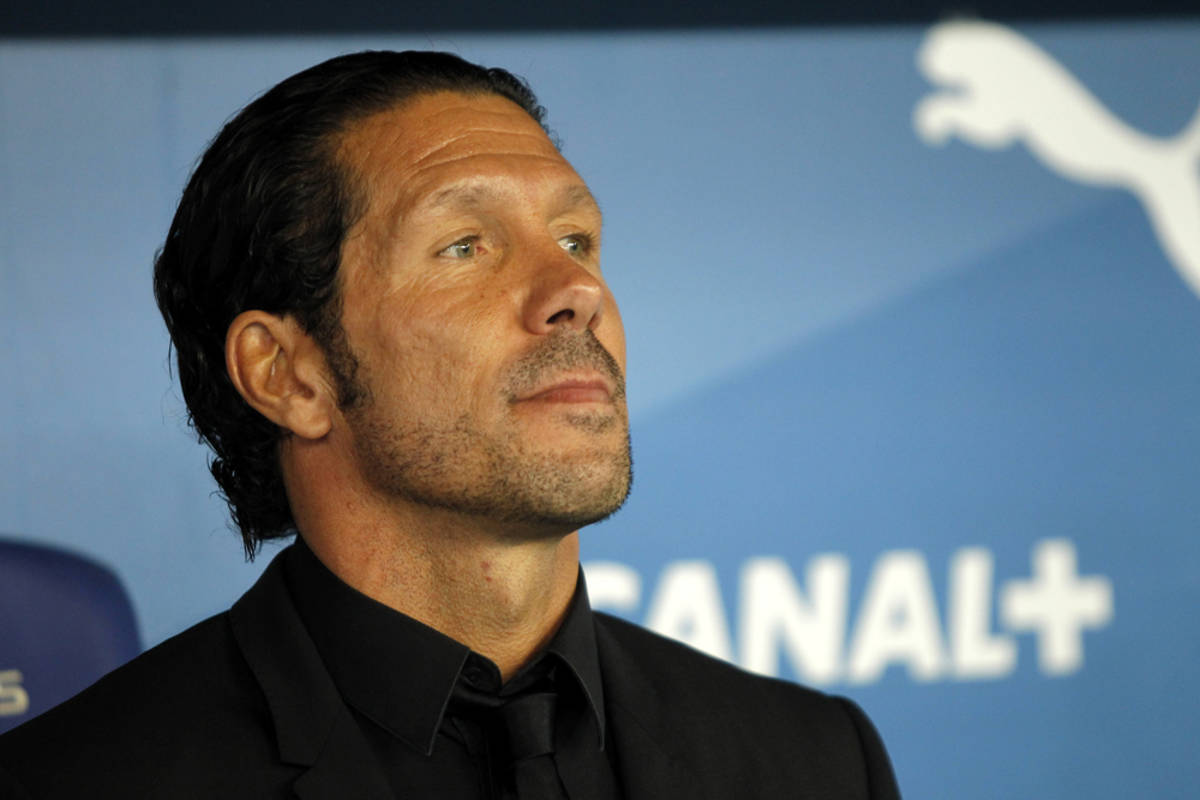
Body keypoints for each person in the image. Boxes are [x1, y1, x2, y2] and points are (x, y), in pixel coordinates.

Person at [0, 51, 901, 799]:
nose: (576, 290)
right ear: (288, 375)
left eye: (576, 240)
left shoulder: (817, 760)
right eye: (466, 246)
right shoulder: (78, 780)